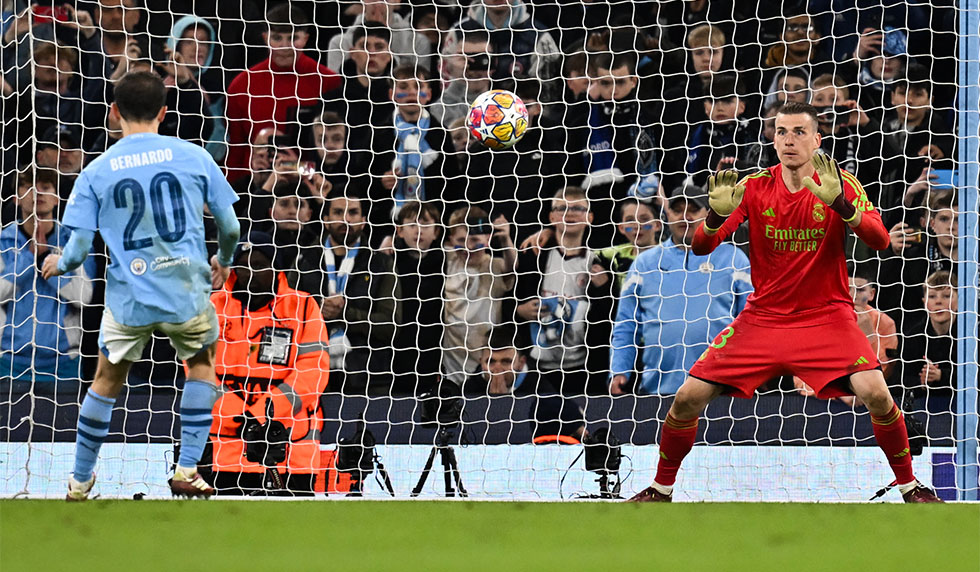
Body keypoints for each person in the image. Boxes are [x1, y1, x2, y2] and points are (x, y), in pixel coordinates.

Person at [628, 101, 941, 503]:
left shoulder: (840, 182)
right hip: (764, 320)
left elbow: (881, 241)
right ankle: (660, 488)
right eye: (781, 132)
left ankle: (910, 486)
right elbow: (703, 246)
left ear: (817, 139)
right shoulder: (755, 185)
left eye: (798, 132)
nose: (789, 140)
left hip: (827, 317)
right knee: (687, 398)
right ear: (772, 138)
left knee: (878, 394)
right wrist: (712, 217)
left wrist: (840, 205)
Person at [42, 71, 241, 500]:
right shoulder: (194, 156)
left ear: (113, 112)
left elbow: (78, 249)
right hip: (186, 291)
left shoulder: (96, 171)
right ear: (164, 114)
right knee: (201, 365)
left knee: (106, 381)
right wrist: (223, 262)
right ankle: (187, 468)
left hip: (129, 296)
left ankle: (79, 481)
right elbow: (230, 226)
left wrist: (59, 263)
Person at [208, 233, 330, 496]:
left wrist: (264, 414)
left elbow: (314, 369)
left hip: (290, 447)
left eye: (260, 264)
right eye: (244, 265)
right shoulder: (212, 306)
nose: (251, 272)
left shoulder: (304, 306)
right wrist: (237, 415)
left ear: (277, 267)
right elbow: (197, 370)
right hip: (225, 446)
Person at [610, 186, 751, 395]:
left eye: (693, 209)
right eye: (677, 210)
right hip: (658, 391)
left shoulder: (733, 259)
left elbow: (750, 322)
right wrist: (620, 370)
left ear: (707, 214)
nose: (685, 216)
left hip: (721, 391)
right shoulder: (644, 264)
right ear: (668, 215)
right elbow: (626, 325)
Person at [224, 4, 340, 183]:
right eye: (277, 38)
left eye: (293, 38)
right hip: (254, 188)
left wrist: (297, 170)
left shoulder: (329, 82)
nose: (285, 46)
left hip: (311, 187)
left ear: (306, 38)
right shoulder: (241, 86)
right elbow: (235, 152)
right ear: (265, 38)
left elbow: (336, 156)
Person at [514, 188, 613, 396]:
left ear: (590, 217)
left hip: (584, 370)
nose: (570, 213)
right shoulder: (532, 256)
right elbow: (508, 300)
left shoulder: (601, 263)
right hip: (538, 369)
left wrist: (604, 289)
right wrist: (518, 311)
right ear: (551, 217)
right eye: (562, 208)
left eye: (578, 208)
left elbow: (610, 320)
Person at [0, 167, 95, 383]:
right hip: (8, 361)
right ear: (15, 198)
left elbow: (84, 297)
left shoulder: (75, 242)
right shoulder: (3, 242)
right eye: (29, 187)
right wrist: (27, 259)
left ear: (57, 199)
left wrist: (47, 262)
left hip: (64, 363)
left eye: (45, 187)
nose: (37, 194)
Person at [296, 194, 399, 394]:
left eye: (353, 212)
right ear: (325, 219)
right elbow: (286, 313)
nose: (345, 219)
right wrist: (319, 309)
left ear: (363, 220)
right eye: (338, 212)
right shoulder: (303, 261)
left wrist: (345, 312)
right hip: (310, 374)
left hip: (369, 378)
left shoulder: (381, 264)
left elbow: (391, 324)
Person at [441, 207, 516, 385]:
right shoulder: (448, 261)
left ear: (488, 239)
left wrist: (505, 239)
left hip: (484, 364)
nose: (468, 247)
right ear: (451, 241)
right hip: (452, 363)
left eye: (475, 240)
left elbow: (512, 266)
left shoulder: (494, 266)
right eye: (461, 240)